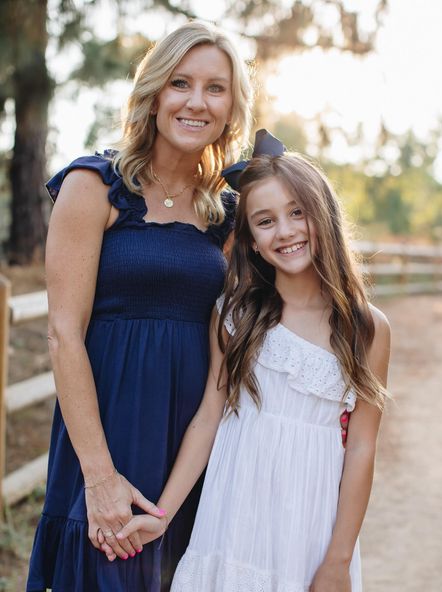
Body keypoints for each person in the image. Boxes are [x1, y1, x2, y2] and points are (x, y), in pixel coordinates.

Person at [103, 131, 391, 591]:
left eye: (298, 212)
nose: (287, 231)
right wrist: (162, 515)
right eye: (265, 221)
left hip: (308, 530)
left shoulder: (366, 328)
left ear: (324, 215)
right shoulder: (234, 315)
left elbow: (361, 449)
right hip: (232, 520)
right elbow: (208, 419)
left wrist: (338, 558)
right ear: (252, 240)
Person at [26, 20, 253, 592]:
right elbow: (62, 334)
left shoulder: (228, 214)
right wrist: (99, 477)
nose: (196, 102)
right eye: (180, 83)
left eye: (215, 89)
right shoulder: (94, 185)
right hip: (106, 433)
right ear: (153, 94)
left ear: (231, 108)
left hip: (189, 446)